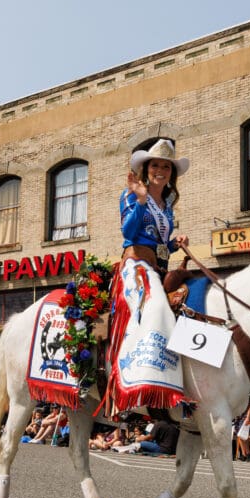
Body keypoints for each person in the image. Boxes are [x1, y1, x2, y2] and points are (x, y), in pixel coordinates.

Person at [106, 138, 189, 414]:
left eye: (166, 166)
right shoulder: (130, 195)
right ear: (146, 168)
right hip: (136, 264)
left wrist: (176, 243)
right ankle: (140, 378)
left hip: (158, 266)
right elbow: (129, 234)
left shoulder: (166, 205)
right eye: (156, 165)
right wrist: (141, 199)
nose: (161, 170)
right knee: (154, 305)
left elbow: (160, 242)